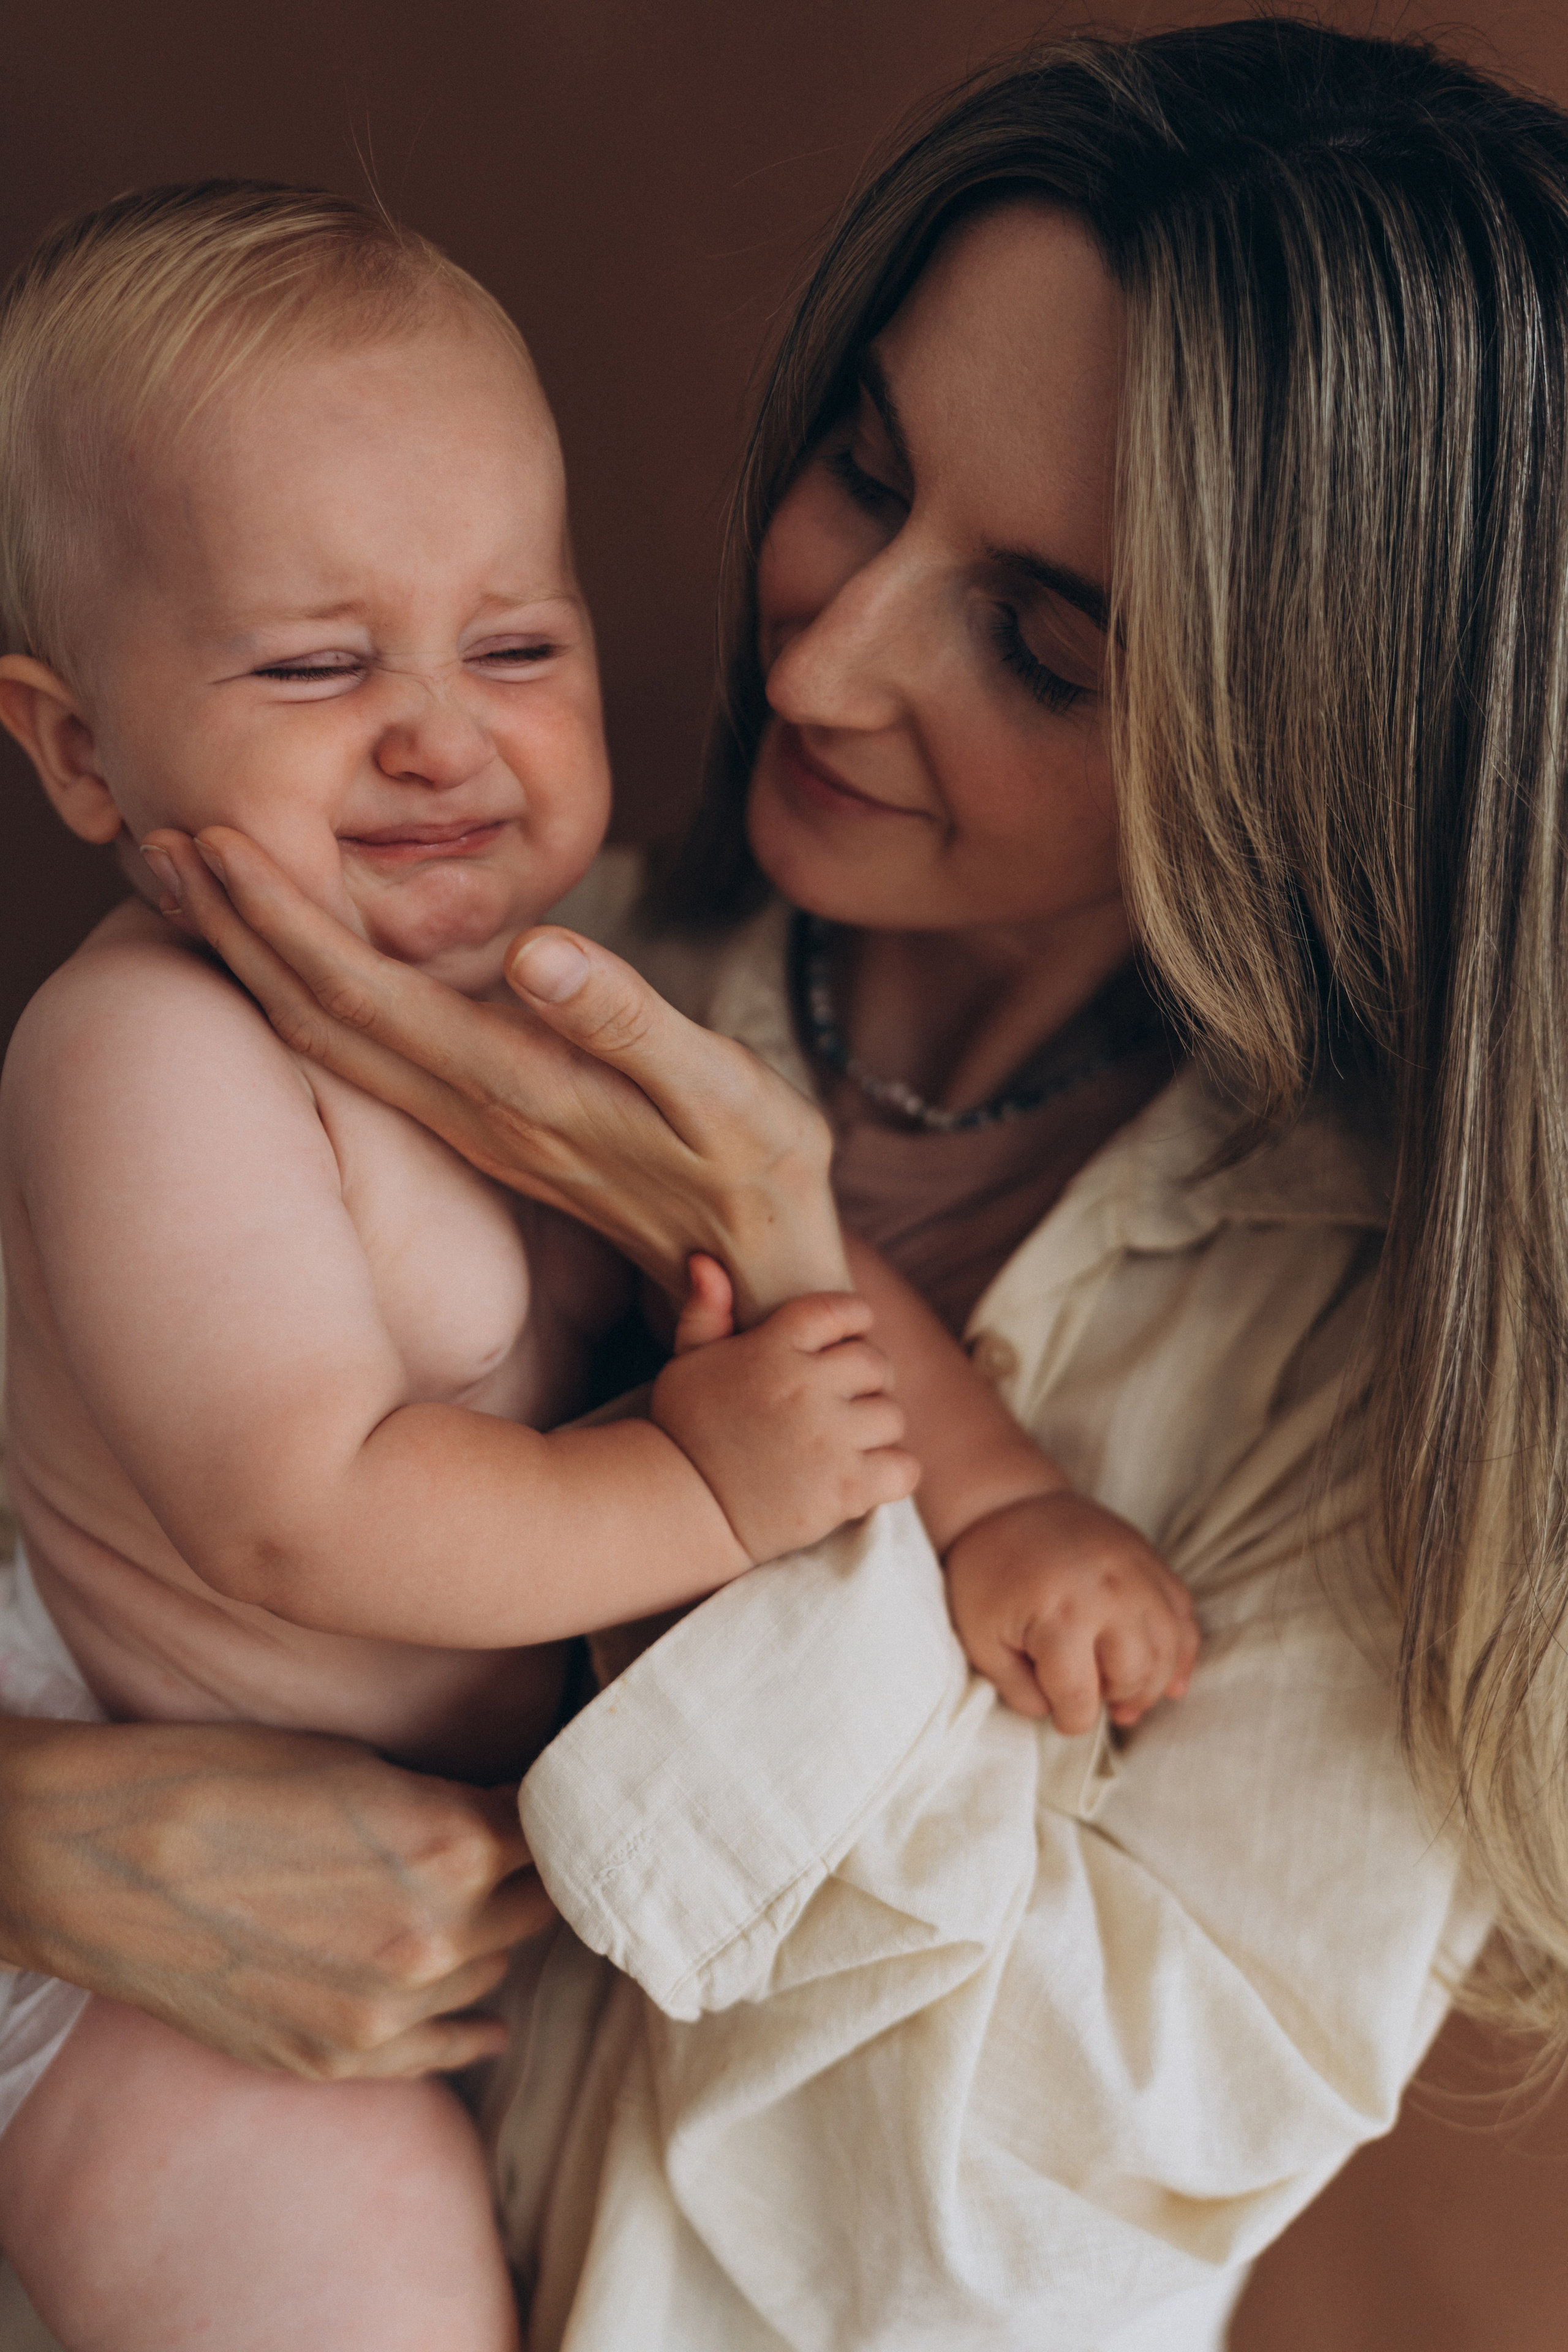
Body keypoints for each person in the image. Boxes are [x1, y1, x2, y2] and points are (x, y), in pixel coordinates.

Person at [4, 17, 1567, 2347]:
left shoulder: (1393, 1391)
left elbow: (968, 2240)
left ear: (1312, 748)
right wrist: (32, 1846)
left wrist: (943, 1468)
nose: (821, 662)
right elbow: (259, 1496)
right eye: (856, 468)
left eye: (1037, 641)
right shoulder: (416, 978)